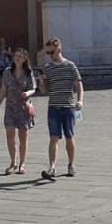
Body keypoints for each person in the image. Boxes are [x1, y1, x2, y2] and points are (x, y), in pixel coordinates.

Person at [39, 37, 83, 180]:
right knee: (53, 138)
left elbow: (79, 85)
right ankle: (52, 168)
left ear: (59, 49)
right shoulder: (47, 68)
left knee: (69, 136)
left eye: (51, 52)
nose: (50, 56)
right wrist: (41, 82)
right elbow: (44, 90)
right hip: (53, 107)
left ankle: (71, 165)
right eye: (48, 53)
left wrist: (80, 100)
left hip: (68, 107)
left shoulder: (70, 66)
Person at [0, 48, 37, 174]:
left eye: (20, 56)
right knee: (10, 136)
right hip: (10, 107)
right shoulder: (7, 72)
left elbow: (33, 88)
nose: (17, 58)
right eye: (16, 56)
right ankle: (13, 162)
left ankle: (22, 164)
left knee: (23, 137)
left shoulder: (28, 72)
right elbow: (3, 90)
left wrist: (28, 92)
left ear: (24, 59)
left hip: (23, 107)